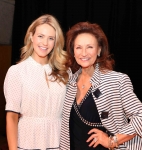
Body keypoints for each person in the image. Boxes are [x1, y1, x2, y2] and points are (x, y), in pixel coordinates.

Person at [60, 22, 142, 150]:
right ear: (73, 51)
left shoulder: (116, 80)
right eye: (78, 47)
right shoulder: (69, 83)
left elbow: (140, 116)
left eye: (90, 47)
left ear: (98, 50)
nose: (84, 53)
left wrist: (113, 140)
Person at [4, 14, 70, 150]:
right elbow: (11, 116)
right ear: (31, 37)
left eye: (51, 38)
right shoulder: (17, 71)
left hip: (58, 142)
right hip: (27, 142)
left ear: (56, 42)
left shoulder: (64, 72)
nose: (45, 43)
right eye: (40, 36)